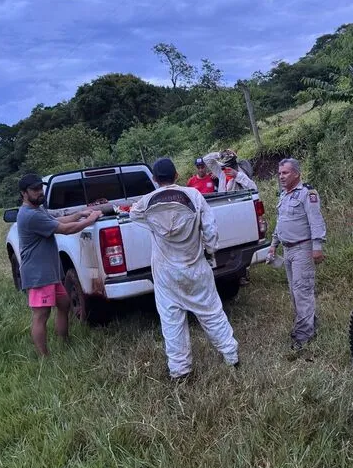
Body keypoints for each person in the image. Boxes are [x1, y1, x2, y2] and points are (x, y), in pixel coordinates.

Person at [129, 158, 239, 380]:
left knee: (172, 321)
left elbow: (134, 215)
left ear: (154, 179)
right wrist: (210, 249)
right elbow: (210, 231)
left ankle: (180, 371)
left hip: (165, 274)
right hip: (195, 266)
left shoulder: (146, 202)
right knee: (211, 313)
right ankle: (231, 357)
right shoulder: (194, 196)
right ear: (177, 175)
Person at [17, 173, 103, 356]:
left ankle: (65, 343)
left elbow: (57, 221)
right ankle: (44, 358)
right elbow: (64, 229)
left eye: (41, 188)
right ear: (24, 193)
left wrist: (80, 214)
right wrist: (91, 219)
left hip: (50, 273)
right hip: (38, 275)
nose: (40, 192)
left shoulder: (37, 209)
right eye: (35, 190)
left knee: (64, 304)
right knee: (41, 316)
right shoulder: (29, 215)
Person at [267, 158, 327, 354]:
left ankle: (303, 335)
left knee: (302, 291)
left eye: (285, 173)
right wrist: (273, 244)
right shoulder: (284, 195)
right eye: (279, 173)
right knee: (295, 292)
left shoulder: (307, 194)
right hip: (288, 249)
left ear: (296, 174)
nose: (281, 176)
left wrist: (317, 246)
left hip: (303, 249)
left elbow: (316, 221)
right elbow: (280, 222)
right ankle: (309, 323)